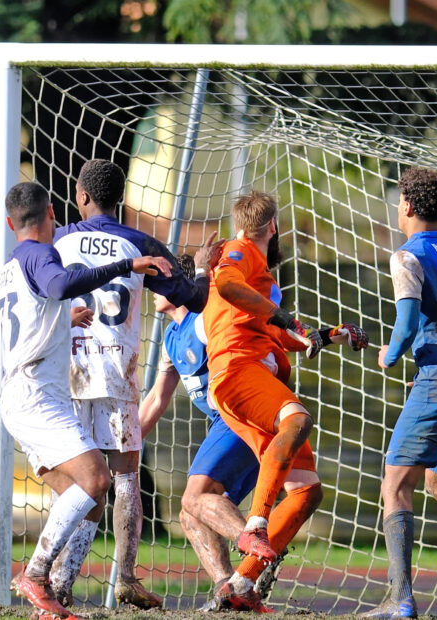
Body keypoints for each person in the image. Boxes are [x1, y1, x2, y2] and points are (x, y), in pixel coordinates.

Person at [0, 181, 172, 619]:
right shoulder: (40, 254)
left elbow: (39, 311)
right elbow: (58, 286)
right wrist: (126, 263)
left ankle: (57, 594)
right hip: (39, 395)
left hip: (27, 393)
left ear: (8, 222)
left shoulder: (9, 266)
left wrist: (63, 321)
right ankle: (37, 574)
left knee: (86, 498)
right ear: (52, 212)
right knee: (98, 480)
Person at [51, 159, 218, 609]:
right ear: (119, 199)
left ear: (82, 196)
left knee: (76, 484)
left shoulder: (60, 238)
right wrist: (200, 269)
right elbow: (195, 299)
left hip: (65, 374)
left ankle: (60, 582)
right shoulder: (140, 243)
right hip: (115, 373)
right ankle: (124, 576)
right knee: (124, 476)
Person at [202, 190, 368, 610]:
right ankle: (255, 524)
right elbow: (226, 282)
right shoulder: (239, 250)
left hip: (252, 371)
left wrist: (331, 334)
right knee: (297, 420)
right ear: (273, 226)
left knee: (306, 492)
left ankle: (240, 587)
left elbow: (283, 336)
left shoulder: (263, 283)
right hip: (237, 369)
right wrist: (282, 316)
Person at [364, 167, 437, 619]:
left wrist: (390, 355)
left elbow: (404, 326)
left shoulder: (406, 256)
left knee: (396, 483)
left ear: (405, 204)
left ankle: (400, 600)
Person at [138, 254, 262, 604]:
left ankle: (258, 545)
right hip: (224, 426)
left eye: (158, 283)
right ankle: (233, 589)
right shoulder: (170, 338)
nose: (151, 291)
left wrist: (206, 269)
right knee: (190, 514)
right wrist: (126, 446)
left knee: (192, 497)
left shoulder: (204, 321)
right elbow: (155, 401)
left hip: (239, 418)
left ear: (176, 286)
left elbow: (219, 302)